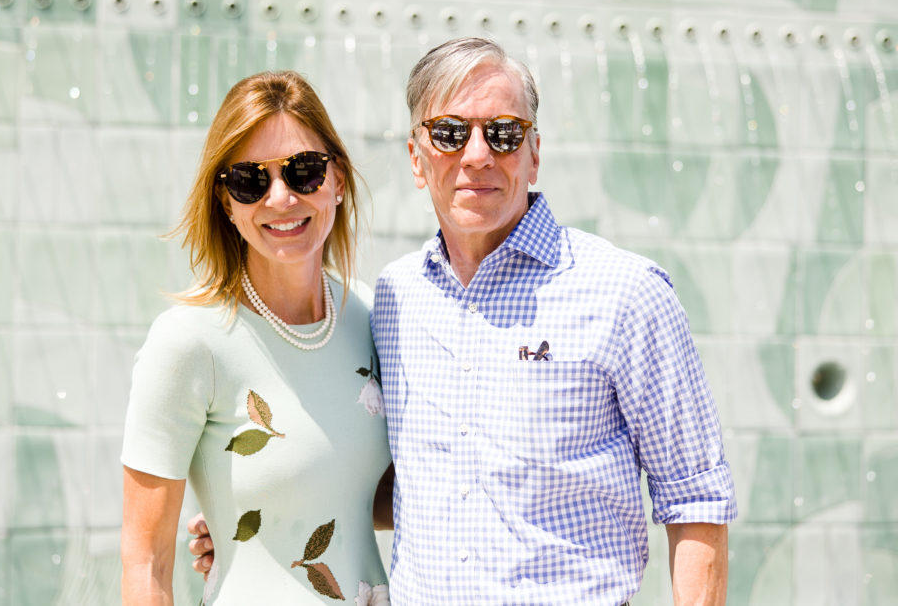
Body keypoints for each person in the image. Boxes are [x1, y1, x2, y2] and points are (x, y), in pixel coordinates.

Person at [191, 37, 737, 605]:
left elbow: (695, 499)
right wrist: (265, 523)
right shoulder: (396, 301)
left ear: (534, 153)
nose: (478, 155)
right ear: (417, 158)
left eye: (502, 133)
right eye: (450, 133)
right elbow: (408, 484)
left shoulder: (627, 294)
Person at [121, 70, 393, 606]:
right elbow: (145, 562)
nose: (280, 197)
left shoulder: (372, 316)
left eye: (304, 172)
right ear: (226, 201)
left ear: (337, 180)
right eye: (250, 180)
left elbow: (365, 489)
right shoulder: (189, 341)